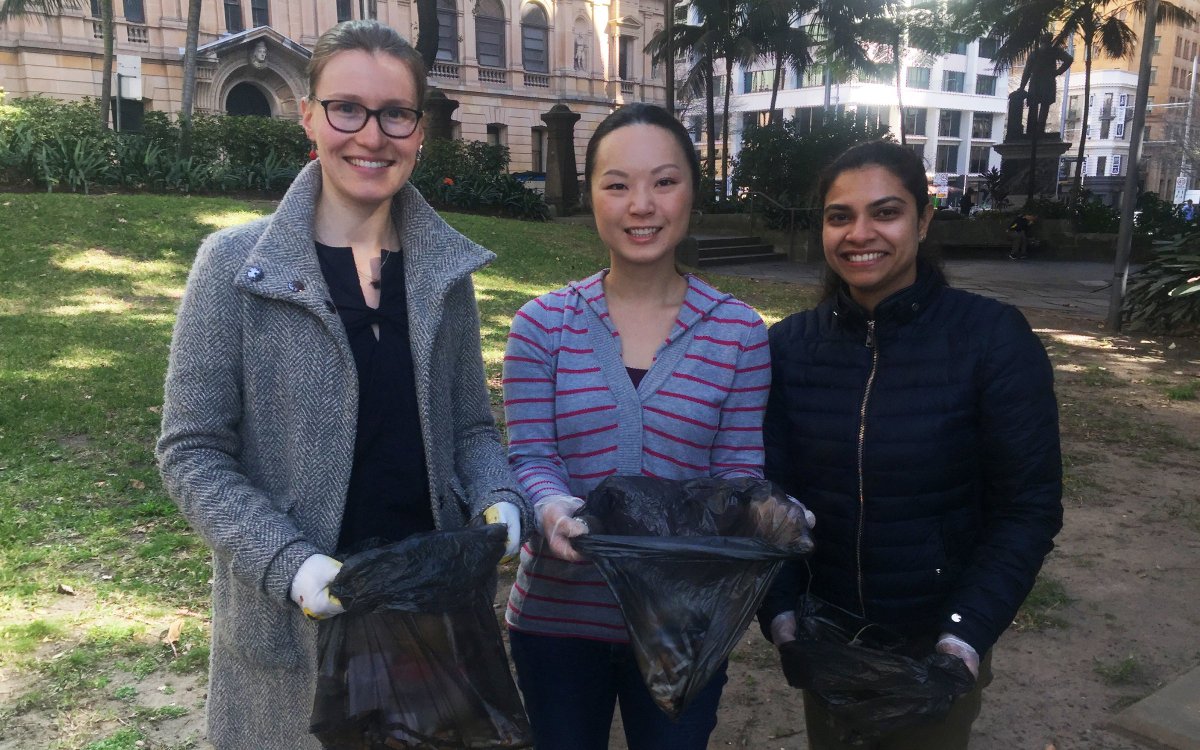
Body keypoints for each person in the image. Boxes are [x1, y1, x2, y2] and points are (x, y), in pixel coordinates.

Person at [156, 20, 530, 750]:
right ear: (309, 113)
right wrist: (291, 568)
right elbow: (192, 452)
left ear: (419, 130)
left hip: (432, 624)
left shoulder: (443, 276)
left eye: (396, 113)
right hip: (296, 630)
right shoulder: (233, 268)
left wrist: (498, 494)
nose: (372, 135)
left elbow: (472, 428)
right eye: (347, 108)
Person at [759, 141, 1063, 749]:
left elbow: (1027, 508)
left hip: (938, 647)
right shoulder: (790, 347)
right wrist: (784, 618)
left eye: (886, 212)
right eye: (839, 215)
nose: (859, 233)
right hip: (827, 642)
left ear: (923, 221)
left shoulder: (992, 339)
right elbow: (769, 495)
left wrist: (962, 639)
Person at [501, 103, 775, 750]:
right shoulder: (539, 326)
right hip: (556, 620)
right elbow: (530, 454)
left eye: (664, 181)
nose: (641, 205)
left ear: (692, 191)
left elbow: (738, 472)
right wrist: (550, 508)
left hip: (684, 626)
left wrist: (755, 513)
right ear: (592, 195)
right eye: (617, 184)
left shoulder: (739, 332)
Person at [1019, 33, 1074, 136]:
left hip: (1037, 81)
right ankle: (1039, 130)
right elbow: (1069, 59)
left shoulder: (1036, 53)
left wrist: (1022, 87)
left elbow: (1027, 71)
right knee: (1043, 107)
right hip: (1046, 81)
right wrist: (1057, 72)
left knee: (1035, 107)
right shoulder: (1053, 51)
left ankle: (1032, 130)